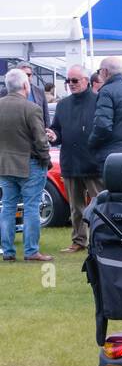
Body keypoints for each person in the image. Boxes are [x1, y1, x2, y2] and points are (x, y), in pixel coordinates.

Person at [0, 67, 53, 262]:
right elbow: (40, 141)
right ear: (25, 85)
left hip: (5, 165)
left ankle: (8, 252)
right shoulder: (31, 108)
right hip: (29, 164)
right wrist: (46, 160)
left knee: (7, 207)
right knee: (31, 208)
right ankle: (31, 252)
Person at [46, 64, 100, 253]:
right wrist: (53, 136)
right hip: (70, 161)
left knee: (98, 204)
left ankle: (101, 239)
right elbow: (57, 130)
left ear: (86, 81)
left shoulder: (98, 101)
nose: (70, 84)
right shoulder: (62, 104)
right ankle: (78, 240)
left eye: (75, 80)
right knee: (75, 207)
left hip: (92, 162)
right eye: (68, 80)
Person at [87, 56, 122, 175]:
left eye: (99, 71)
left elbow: (102, 126)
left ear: (105, 72)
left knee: (114, 192)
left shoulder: (106, 91)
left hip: (112, 156)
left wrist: (91, 143)